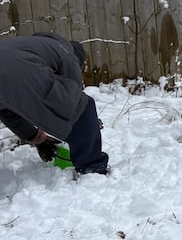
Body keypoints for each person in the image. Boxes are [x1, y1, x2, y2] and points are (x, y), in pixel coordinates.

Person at [0, 32, 109, 176]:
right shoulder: (67, 52)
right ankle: (92, 168)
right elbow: (75, 98)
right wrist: (91, 122)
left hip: (13, 70)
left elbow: (7, 110)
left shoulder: (33, 45)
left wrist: (34, 136)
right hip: (21, 72)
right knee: (85, 106)